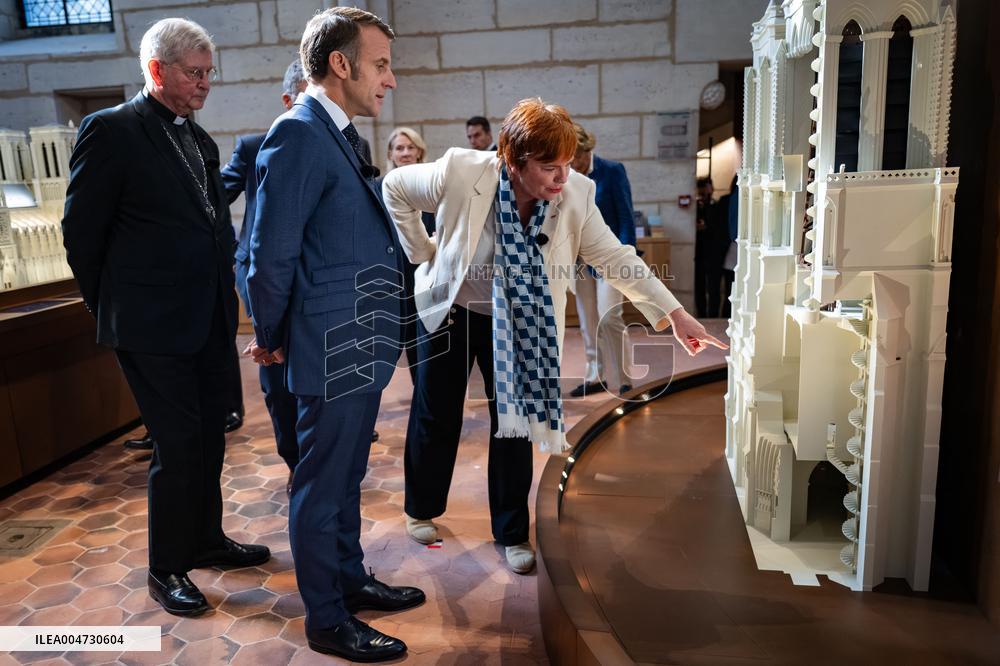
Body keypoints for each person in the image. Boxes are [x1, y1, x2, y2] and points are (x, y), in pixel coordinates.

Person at [383, 98, 725, 575]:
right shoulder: (462, 169)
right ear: (513, 160)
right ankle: (420, 509)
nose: (562, 176)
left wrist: (675, 313)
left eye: (567, 163)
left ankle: (511, 531)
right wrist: (421, 250)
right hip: (452, 311)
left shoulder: (577, 193)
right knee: (436, 414)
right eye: (549, 167)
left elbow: (615, 256)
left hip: (519, 320)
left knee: (514, 422)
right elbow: (395, 186)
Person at [61, 18, 269, 618]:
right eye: (194, 73)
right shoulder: (111, 130)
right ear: (157, 70)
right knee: (177, 445)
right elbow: (80, 231)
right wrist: (110, 306)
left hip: (206, 317)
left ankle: (205, 538)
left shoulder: (199, 139)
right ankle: (166, 566)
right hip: (149, 324)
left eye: (209, 72)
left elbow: (211, 224)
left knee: (209, 436)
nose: (206, 83)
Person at [247, 8, 423, 662]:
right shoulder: (297, 133)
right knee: (320, 486)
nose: (390, 80)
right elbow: (269, 255)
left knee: (347, 475)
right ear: (340, 64)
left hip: (359, 340)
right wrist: (271, 335)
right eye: (381, 65)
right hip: (328, 344)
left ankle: (349, 578)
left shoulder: (338, 134)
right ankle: (326, 619)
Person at [568, 123, 638, 397]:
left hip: (610, 258)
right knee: (588, 322)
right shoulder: (567, 176)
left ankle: (624, 379)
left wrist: (625, 256)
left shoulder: (612, 170)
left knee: (609, 318)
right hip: (579, 260)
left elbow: (626, 217)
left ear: (587, 150)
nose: (573, 162)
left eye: (576, 155)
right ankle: (595, 376)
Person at [378, 126, 435, 383]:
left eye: (411, 147)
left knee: (426, 345)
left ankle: (423, 390)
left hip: (426, 269)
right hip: (393, 272)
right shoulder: (379, 187)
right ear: (390, 153)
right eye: (399, 148)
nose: (405, 152)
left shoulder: (432, 183)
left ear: (419, 151)